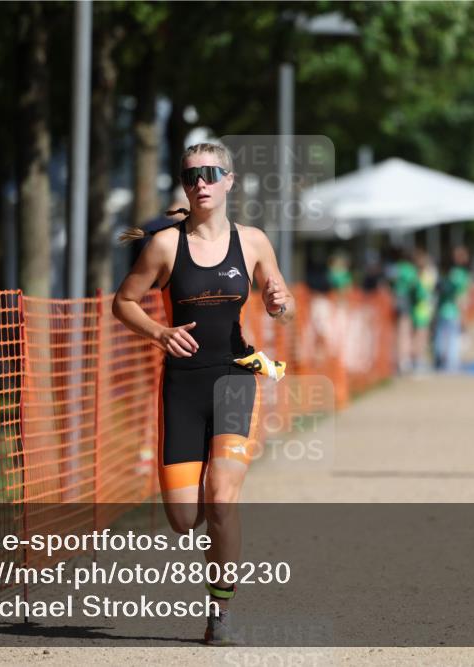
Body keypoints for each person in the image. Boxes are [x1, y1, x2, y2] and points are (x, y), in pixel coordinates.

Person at [112, 142, 294, 645]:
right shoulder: (165, 245)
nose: (202, 182)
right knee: (184, 518)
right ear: (185, 185)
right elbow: (123, 302)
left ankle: (221, 613)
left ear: (230, 181)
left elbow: (282, 299)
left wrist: (280, 302)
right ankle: (210, 569)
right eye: (193, 175)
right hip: (182, 386)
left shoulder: (253, 241)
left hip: (235, 377)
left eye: (212, 173)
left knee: (221, 502)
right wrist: (158, 332)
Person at [432, 246, 470, 372]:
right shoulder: (460, 275)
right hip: (453, 311)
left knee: (440, 337)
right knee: (453, 338)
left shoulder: (444, 273)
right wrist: (463, 315)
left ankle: (439, 362)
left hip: (442, 310)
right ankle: (451, 363)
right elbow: (461, 297)